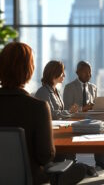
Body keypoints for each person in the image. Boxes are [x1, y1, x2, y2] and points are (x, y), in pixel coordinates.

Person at [0, 42, 85, 184]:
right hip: (31, 177)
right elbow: (45, 156)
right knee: (79, 169)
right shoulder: (38, 107)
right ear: (29, 70)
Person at [63, 61, 104, 170]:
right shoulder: (69, 87)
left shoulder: (93, 87)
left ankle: (100, 162)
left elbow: (94, 106)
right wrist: (82, 109)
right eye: (85, 72)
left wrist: (97, 107)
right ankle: (72, 162)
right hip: (74, 120)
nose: (89, 75)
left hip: (91, 119)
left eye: (90, 72)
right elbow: (67, 109)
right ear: (77, 72)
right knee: (70, 136)